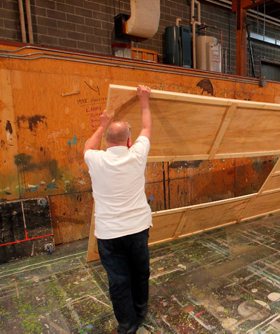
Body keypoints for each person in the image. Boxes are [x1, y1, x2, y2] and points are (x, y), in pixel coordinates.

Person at [84, 85, 152, 333]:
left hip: (109, 235)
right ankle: (141, 309)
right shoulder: (137, 155)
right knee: (140, 271)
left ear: (106, 141)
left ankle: (127, 324)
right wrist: (144, 100)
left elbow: (87, 146)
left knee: (119, 280)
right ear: (129, 141)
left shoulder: (96, 159)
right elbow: (147, 127)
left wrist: (103, 124)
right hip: (137, 230)